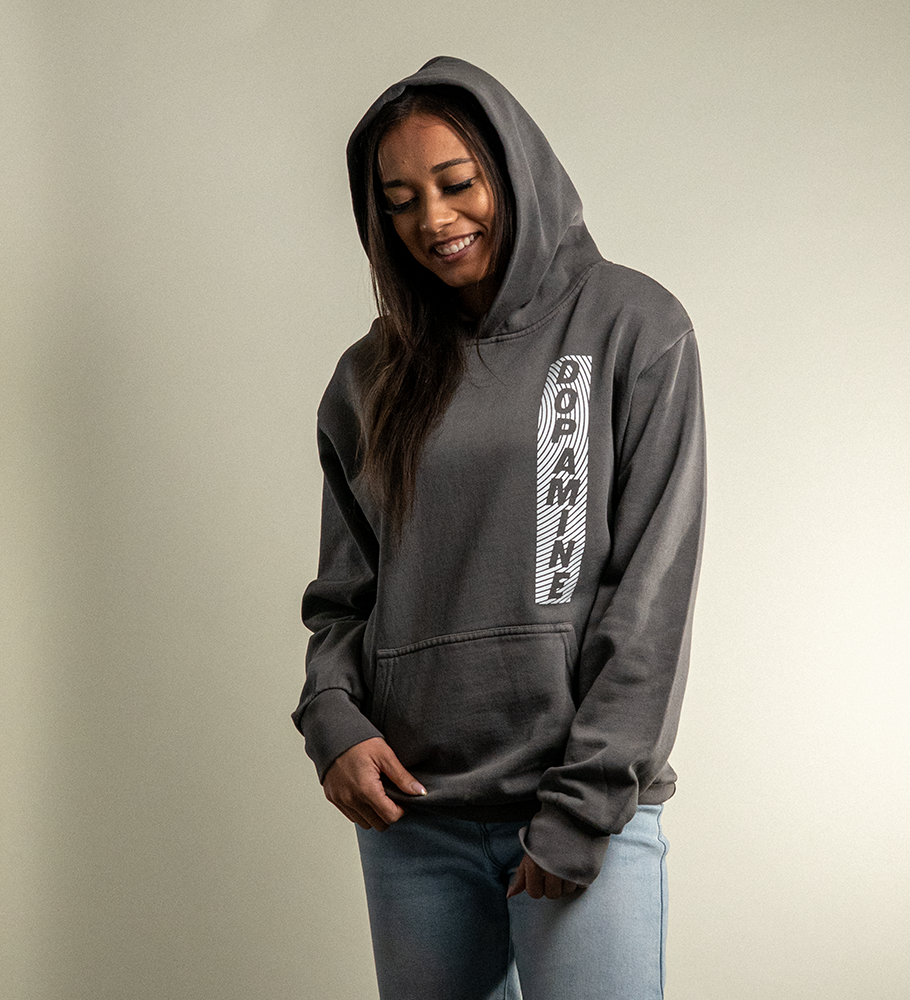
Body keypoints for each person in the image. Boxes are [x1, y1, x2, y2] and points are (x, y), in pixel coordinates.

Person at [292, 56, 706, 1000]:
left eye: (457, 183)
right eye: (400, 200)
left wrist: (584, 807)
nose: (433, 220)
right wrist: (333, 721)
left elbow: (651, 596)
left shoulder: (634, 327)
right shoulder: (368, 378)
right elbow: (345, 597)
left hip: (579, 807)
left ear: (514, 169)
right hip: (414, 818)